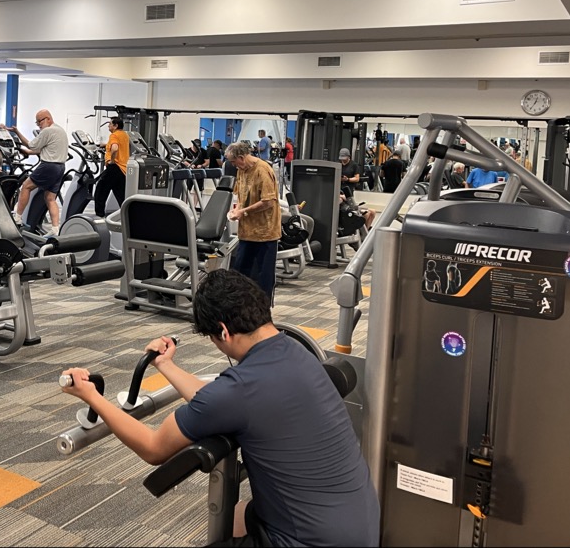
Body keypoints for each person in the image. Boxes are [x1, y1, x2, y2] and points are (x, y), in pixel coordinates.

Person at [59, 269, 379, 548]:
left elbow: (153, 448)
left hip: (305, 541)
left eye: (214, 339)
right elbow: (216, 398)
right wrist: (166, 366)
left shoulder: (240, 388)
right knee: (240, 513)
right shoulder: (298, 355)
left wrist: (92, 397)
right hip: (360, 527)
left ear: (224, 332)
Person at [223, 141, 281, 300]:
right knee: (241, 272)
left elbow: (268, 202)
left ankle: (263, 310)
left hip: (265, 233)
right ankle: (240, 306)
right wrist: (236, 209)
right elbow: (241, 195)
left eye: (234, 162)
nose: (234, 166)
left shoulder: (262, 170)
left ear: (241, 157)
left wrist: (243, 211)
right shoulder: (242, 170)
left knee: (263, 276)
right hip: (247, 232)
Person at [8, 110, 68, 236]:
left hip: (48, 166)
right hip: (60, 167)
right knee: (50, 198)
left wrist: (17, 132)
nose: (38, 125)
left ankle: (18, 218)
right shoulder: (60, 130)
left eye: (39, 122)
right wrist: (28, 152)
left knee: (26, 186)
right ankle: (55, 229)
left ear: (47, 119)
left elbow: (31, 145)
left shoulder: (47, 131)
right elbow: (45, 149)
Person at [94, 117, 130, 217]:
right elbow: (118, 145)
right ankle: (128, 216)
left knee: (100, 191)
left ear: (115, 126)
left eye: (110, 123)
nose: (108, 125)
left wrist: (112, 161)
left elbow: (115, 148)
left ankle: (99, 216)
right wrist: (105, 145)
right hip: (123, 169)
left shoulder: (114, 135)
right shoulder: (124, 135)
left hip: (115, 167)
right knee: (120, 195)